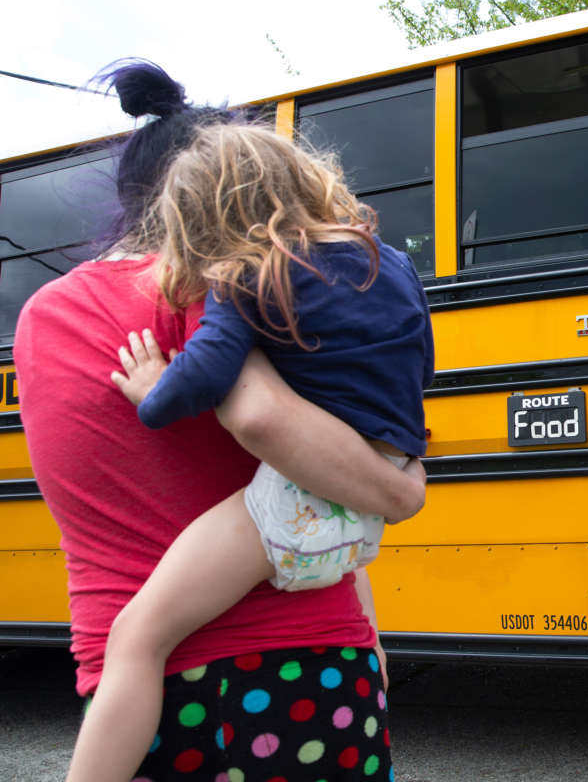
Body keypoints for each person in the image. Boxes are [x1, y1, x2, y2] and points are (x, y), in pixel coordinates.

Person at [15, 62, 420, 782]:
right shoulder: (260, 283)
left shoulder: (43, 319)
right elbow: (309, 458)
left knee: (138, 637)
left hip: (141, 692)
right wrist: (401, 494)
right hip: (315, 670)